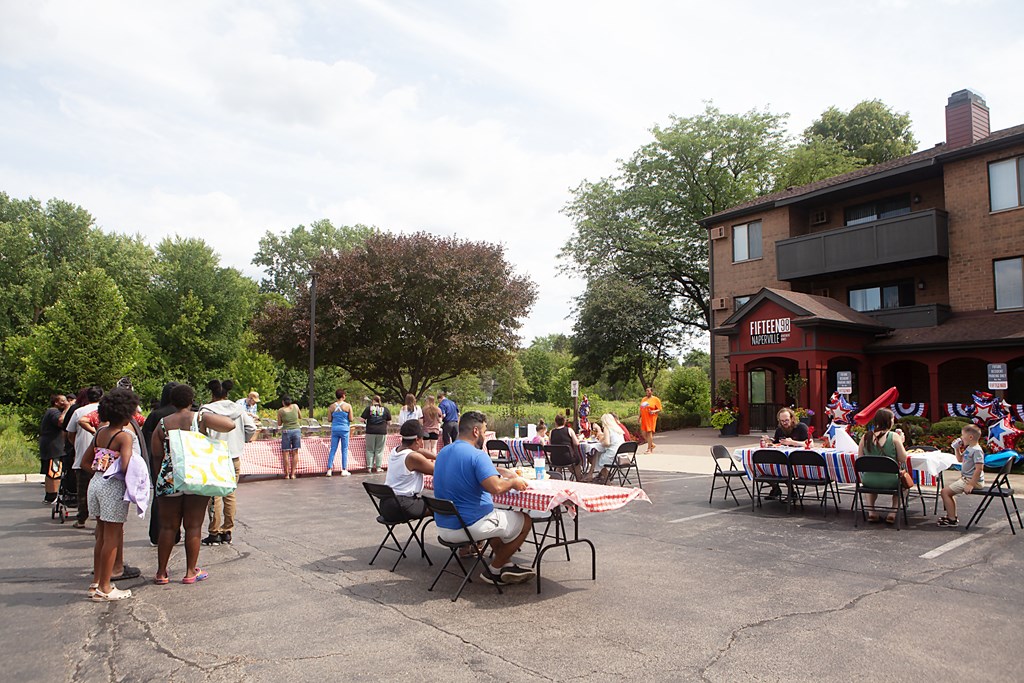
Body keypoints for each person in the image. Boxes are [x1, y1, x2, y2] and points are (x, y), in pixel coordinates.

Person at [432, 411, 536, 586]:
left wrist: (499, 471)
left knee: (496, 517)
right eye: (485, 431)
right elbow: (496, 487)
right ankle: (495, 569)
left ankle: (506, 564)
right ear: (475, 431)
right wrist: (513, 482)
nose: (485, 436)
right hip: (468, 526)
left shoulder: (444, 452)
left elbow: (470, 471)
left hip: (444, 525)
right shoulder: (477, 455)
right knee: (524, 520)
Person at [150, 384, 236, 585]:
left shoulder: (162, 423)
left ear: (172, 401)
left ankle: (162, 572)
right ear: (191, 400)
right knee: (194, 525)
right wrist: (205, 412)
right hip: (197, 476)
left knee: (168, 527)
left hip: (170, 477)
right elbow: (229, 425)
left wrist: (159, 478)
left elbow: (155, 454)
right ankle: (190, 572)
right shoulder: (199, 417)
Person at [83, 388, 144, 601]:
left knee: (100, 535)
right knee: (112, 537)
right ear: (128, 413)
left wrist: (102, 471)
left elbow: (85, 462)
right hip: (112, 487)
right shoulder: (124, 437)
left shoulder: (100, 432)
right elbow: (126, 466)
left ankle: (96, 582)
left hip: (96, 482)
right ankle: (106, 587)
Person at [201, 379, 257, 546]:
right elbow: (252, 428)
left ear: (212, 393)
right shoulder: (238, 409)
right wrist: (241, 440)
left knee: (214, 495)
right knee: (230, 494)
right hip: (233, 455)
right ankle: (228, 530)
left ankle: (214, 531)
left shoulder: (206, 410)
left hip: (214, 457)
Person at [857, 408, 910, 524]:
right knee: (904, 485)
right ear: (889, 421)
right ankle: (892, 512)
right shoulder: (894, 436)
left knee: (871, 485)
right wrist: (901, 441)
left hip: (868, 480)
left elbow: (860, 459)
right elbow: (903, 458)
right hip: (891, 480)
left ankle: (871, 512)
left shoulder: (865, 437)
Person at [142, 382, 180, 545]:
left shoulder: (156, 415)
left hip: (159, 460)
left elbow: (145, 438)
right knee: (181, 499)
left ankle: (157, 534)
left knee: (160, 498)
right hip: (181, 461)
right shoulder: (185, 415)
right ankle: (176, 534)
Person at [382, 419, 435, 521]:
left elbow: (418, 450)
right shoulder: (412, 457)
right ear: (416, 440)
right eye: (422, 439)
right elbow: (438, 471)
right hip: (402, 505)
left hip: (387, 505)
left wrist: (437, 456)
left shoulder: (396, 450)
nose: (422, 442)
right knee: (442, 507)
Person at [67, 386, 103, 528]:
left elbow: (70, 433)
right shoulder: (107, 411)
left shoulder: (78, 412)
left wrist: (76, 444)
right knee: (103, 487)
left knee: (83, 489)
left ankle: (82, 518)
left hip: (82, 454)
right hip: (104, 456)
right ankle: (102, 518)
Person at [938, 423, 985, 528]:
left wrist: (971, 484)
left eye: (963, 436)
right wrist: (956, 448)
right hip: (966, 479)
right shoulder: (970, 448)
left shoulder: (977, 450)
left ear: (970, 437)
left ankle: (952, 519)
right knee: (947, 492)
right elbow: (960, 459)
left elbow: (979, 469)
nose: (961, 438)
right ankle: (951, 516)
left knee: (945, 492)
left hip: (971, 480)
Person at [40, 393, 69, 504]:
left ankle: (49, 496)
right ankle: (53, 496)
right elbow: (61, 421)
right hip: (54, 448)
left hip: (49, 446)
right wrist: (67, 408)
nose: (65, 402)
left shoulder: (50, 411)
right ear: (56, 403)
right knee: (55, 471)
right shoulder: (54, 412)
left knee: (49, 471)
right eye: (62, 401)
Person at [586, 413, 626, 484]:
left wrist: (601, 442)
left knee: (598, 461)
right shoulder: (618, 429)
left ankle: (607, 481)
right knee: (598, 454)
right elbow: (606, 439)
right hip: (622, 455)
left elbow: (607, 443)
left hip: (613, 455)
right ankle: (603, 477)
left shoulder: (607, 428)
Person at [549, 413, 587, 480]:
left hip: (555, 459)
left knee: (560, 458)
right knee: (577, 460)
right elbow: (576, 443)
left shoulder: (551, 432)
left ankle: (559, 479)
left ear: (555, 422)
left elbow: (550, 444)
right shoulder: (569, 430)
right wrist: (580, 438)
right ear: (565, 421)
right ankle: (579, 478)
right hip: (568, 458)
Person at [326, 389, 354, 477]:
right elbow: (351, 419)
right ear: (343, 396)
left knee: (333, 449)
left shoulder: (331, 407)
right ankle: (344, 469)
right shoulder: (348, 406)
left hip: (335, 429)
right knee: (344, 449)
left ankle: (329, 469)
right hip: (345, 429)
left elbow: (329, 419)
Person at [361, 395, 391, 473]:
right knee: (379, 450)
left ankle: (369, 468)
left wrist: (366, 421)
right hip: (381, 431)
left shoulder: (369, 409)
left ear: (373, 401)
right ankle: (378, 467)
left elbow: (361, 419)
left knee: (370, 450)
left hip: (370, 431)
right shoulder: (385, 409)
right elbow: (389, 422)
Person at [278, 395, 302, 479]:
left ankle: (287, 474)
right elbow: (300, 416)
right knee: (295, 452)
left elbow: (279, 423)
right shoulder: (295, 406)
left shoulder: (281, 411)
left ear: (283, 402)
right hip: (296, 430)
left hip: (286, 431)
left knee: (286, 453)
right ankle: (293, 474)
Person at [639, 387, 662, 454]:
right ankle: (652, 444)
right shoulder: (644, 399)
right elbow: (641, 408)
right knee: (643, 433)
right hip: (644, 418)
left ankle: (649, 449)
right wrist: (639, 417)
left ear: (651, 392)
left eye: (649, 391)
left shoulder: (655, 399)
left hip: (651, 418)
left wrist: (654, 411)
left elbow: (660, 409)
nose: (647, 392)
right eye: (646, 391)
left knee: (649, 433)